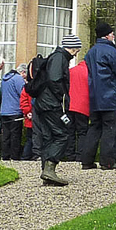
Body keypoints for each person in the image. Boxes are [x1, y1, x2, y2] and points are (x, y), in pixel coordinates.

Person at [80, 22, 116, 170]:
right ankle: (107, 161)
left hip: (94, 96)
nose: (113, 35)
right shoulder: (111, 51)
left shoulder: (90, 52)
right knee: (110, 128)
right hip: (109, 95)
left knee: (94, 127)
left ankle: (87, 161)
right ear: (107, 35)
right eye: (112, 33)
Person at [37, 34, 81, 185]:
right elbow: (55, 79)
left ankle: (47, 173)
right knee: (63, 135)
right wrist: (61, 97)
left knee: (49, 137)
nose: (77, 54)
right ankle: (49, 168)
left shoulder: (57, 57)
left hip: (45, 103)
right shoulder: (59, 58)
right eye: (77, 50)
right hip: (51, 104)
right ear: (73, 48)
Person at [0, 63, 27, 160]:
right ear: (23, 72)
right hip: (15, 111)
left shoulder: (4, 79)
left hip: (4, 111)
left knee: (6, 135)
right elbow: (23, 93)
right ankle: (14, 157)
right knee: (15, 135)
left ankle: (5, 156)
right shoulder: (18, 79)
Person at [66, 57, 91, 167]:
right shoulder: (89, 73)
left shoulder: (71, 71)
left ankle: (69, 154)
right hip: (83, 106)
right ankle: (80, 155)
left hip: (70, 105)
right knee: (82, 132)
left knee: (70, 131)